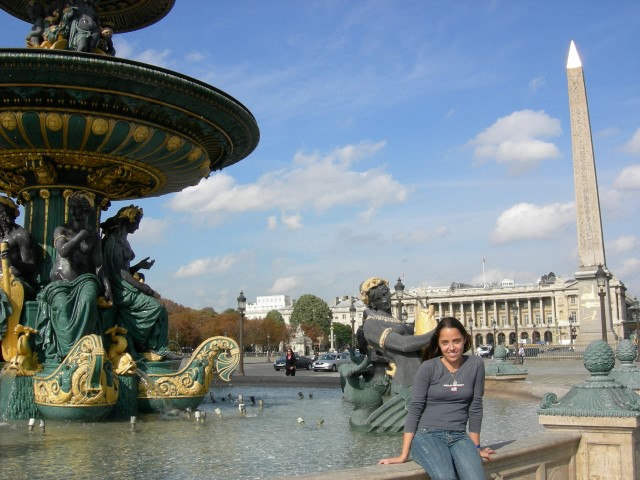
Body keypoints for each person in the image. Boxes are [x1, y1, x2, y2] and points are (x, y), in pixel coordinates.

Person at [379, 317, 495, 479]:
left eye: (456, 341)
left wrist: (475, 447)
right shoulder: (428, 368)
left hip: (459, 436)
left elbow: (475, 407)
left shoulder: (475, 364)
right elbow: (415, 409)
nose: (451, 348)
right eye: (445, 343)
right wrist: (403, 454)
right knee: (446, 477)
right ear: (438, 344)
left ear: (465, 340)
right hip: (428, 436)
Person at [36, 191, 112, 361]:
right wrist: (81, 236)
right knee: (62, 307)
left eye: (79, 209)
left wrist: (107, 286)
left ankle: (82, 351)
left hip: (85, 280)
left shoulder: (94, 237)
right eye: (73, 209)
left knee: (87, 300)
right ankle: (66, 353)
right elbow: (63, 251)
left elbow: (99, 264)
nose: (75, 213)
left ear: (87, 211)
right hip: (61, 281)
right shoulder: (61, 230)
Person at [100, 205, 178, 361]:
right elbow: (119, 273)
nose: (138, 226)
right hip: (119, 288)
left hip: (125, 284)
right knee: (157, 308)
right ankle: (152, 346)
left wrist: (139, 266)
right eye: (136, 222)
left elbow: (124, 270)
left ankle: (150, 346)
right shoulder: (112, 242)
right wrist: (142, 287)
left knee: (158, 308)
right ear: (127, 221)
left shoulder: (122, 241)